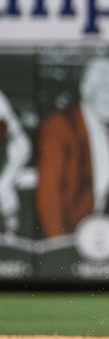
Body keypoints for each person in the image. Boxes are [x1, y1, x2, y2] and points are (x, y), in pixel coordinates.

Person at [36, 57, 109, 238]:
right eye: (108, 88)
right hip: (69, 233)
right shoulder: (59, 127)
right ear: (86, 90)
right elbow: (48, 195)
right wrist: (58, 248)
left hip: (101, 225)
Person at [0, 90, 32, 235]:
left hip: (17, 146)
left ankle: (12, 227)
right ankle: (42, 177)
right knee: (11, 182)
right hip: (9, 147)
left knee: (3, 186)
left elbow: (3, 129)